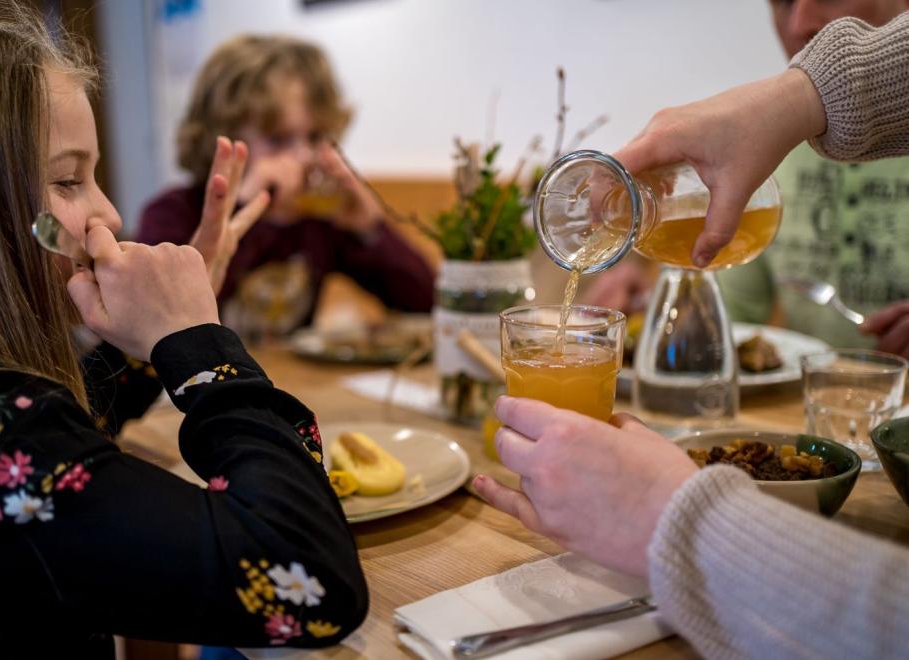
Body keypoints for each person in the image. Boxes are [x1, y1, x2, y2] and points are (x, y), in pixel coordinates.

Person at [0, 5, 367, 657]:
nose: (109, 211)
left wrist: (163, 341)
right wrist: (198, 344)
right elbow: (313, 580)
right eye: (69, 179)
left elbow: (62, 429)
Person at [476, 11, 909, 659]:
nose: (802, 19)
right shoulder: (780, 154)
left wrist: (674, 521)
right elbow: (725, 289)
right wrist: (803, 96)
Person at [585, 0, 909, 359]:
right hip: (812, 408)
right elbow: (730, 316)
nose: (799, 23)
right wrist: (647, 298)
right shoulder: (764, 151)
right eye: (782, 3)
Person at [136, 34, 434, 336]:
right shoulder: (171, 214)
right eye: (278, 140)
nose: (304, 157)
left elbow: (425, 302)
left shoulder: (316, 219)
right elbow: (159, 325)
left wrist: (370, 230)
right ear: (221, 138)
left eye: (316, 137)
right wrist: (244, 211)